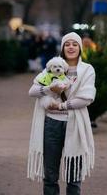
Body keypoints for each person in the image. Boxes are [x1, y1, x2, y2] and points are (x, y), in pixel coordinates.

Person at [27, 32, 96, 195]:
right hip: (52, 124)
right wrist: (49, 88)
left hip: (76, 125)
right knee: (50, 175)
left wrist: (61, 106)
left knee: (74, 176)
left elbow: (87, 98)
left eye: (74, 44)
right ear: (62, 48)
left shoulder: (87, 70)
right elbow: (32, 91)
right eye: (67, 44)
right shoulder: (50, 68)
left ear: (79, 47)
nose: (71, 47)